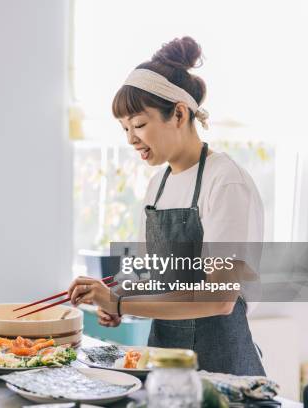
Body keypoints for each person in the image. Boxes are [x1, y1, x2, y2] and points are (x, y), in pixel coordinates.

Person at [67, 37, 265, 376]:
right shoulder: (157, 185)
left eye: (139, 124)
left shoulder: (224, 180)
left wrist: (119, 301)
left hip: (222, 368)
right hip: (164, 361)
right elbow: (154, 274)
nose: (130, 138)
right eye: (125, 128)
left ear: (179, 113)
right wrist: (113, 294)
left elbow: (219, 298)